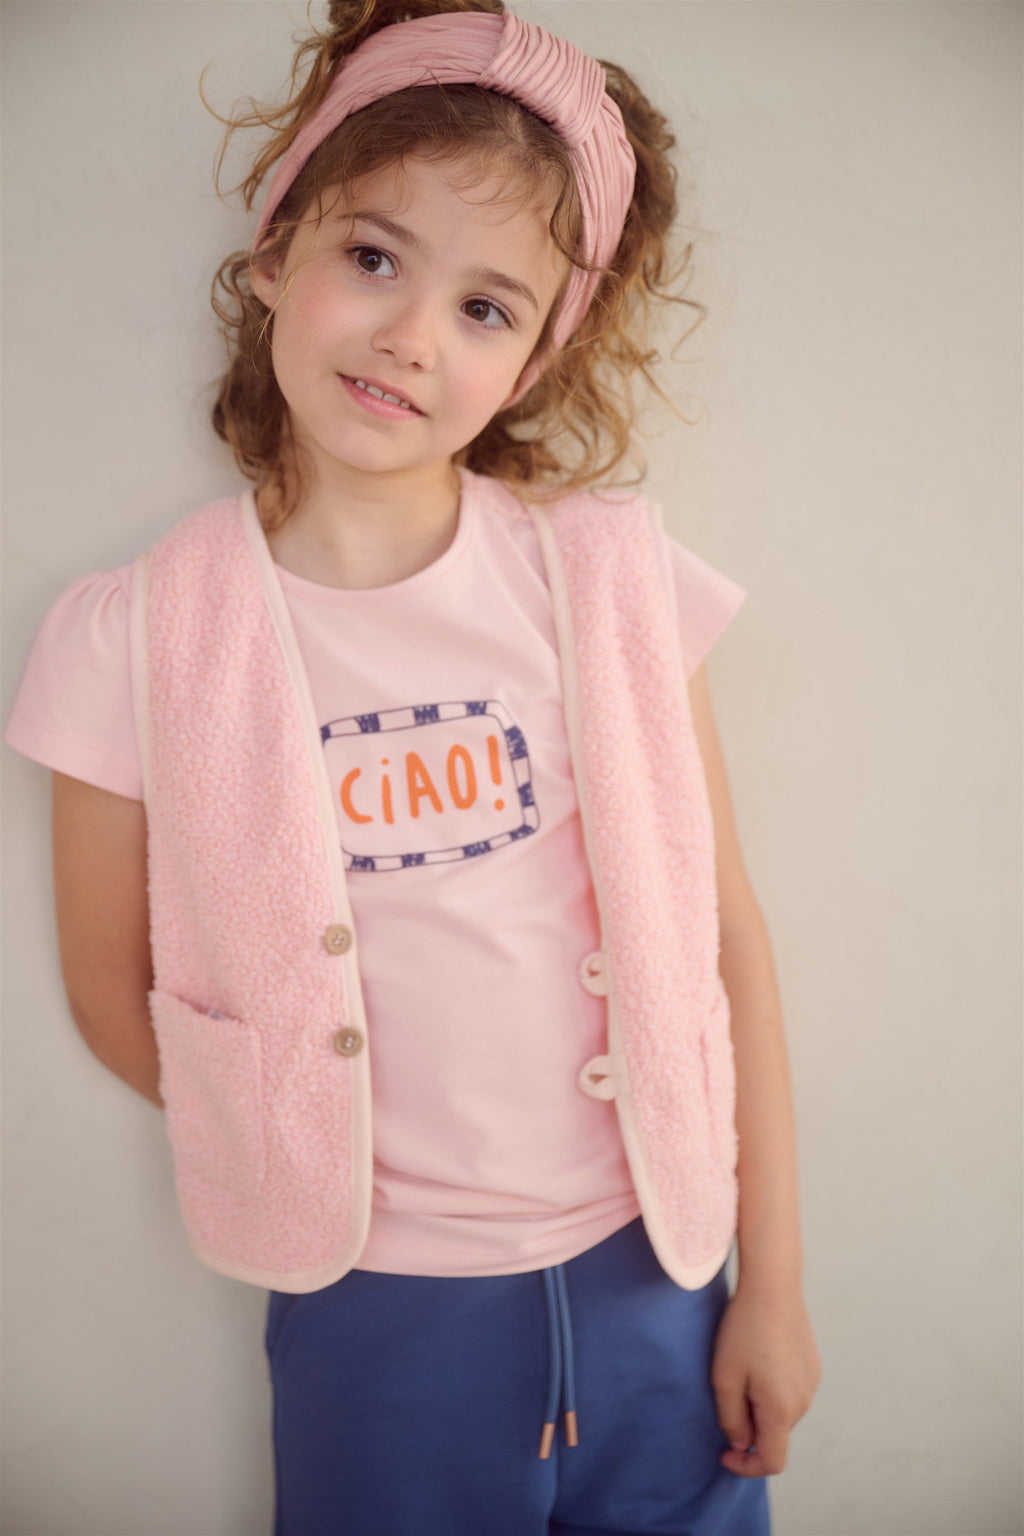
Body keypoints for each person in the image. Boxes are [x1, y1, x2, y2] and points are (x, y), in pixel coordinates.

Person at [4, 2, 822, 1532]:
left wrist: (768, 1289)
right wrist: (306, 1145)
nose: (411, 336)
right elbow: (117, 990)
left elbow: (723, 939)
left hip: (664, 1268)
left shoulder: (609, 587)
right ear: (275, 250)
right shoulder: (137, 638)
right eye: (374, 258)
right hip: (376, 1310)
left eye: (486, 306)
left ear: (536, 358)